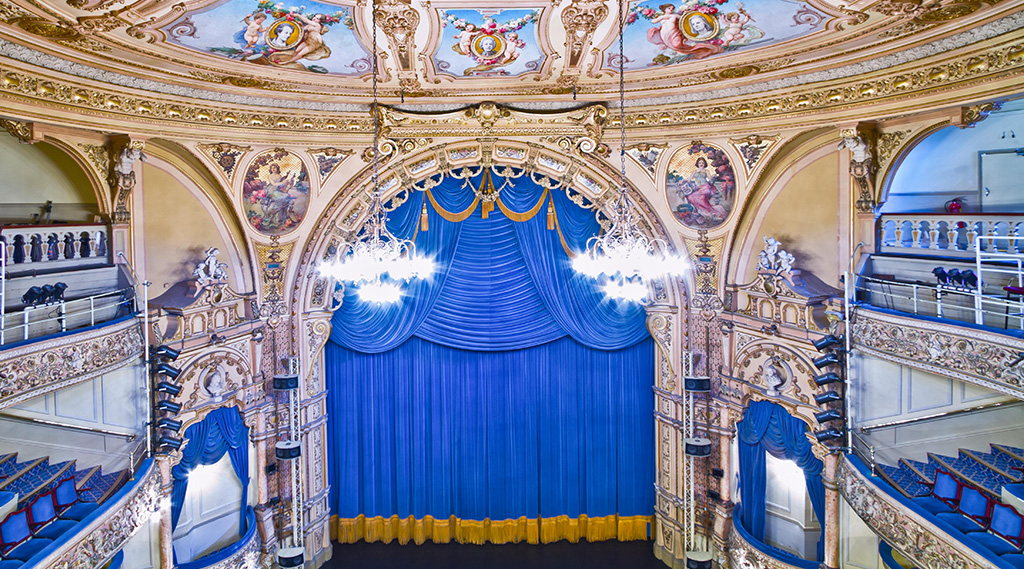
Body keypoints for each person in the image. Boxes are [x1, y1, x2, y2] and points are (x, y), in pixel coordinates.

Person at [647, 5, 724, 59]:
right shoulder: (662, 17)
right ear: (664, 10)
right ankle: (696, 51)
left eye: (672, 8)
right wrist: (663, 16)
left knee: (677, 45)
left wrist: (684, 13)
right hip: (664, 34)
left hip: (674, 33)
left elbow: (683, 18)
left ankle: (701, 49)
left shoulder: (674, 15)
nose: (671, 9)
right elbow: (653, 21)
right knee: (673, 46)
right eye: (669, 8)